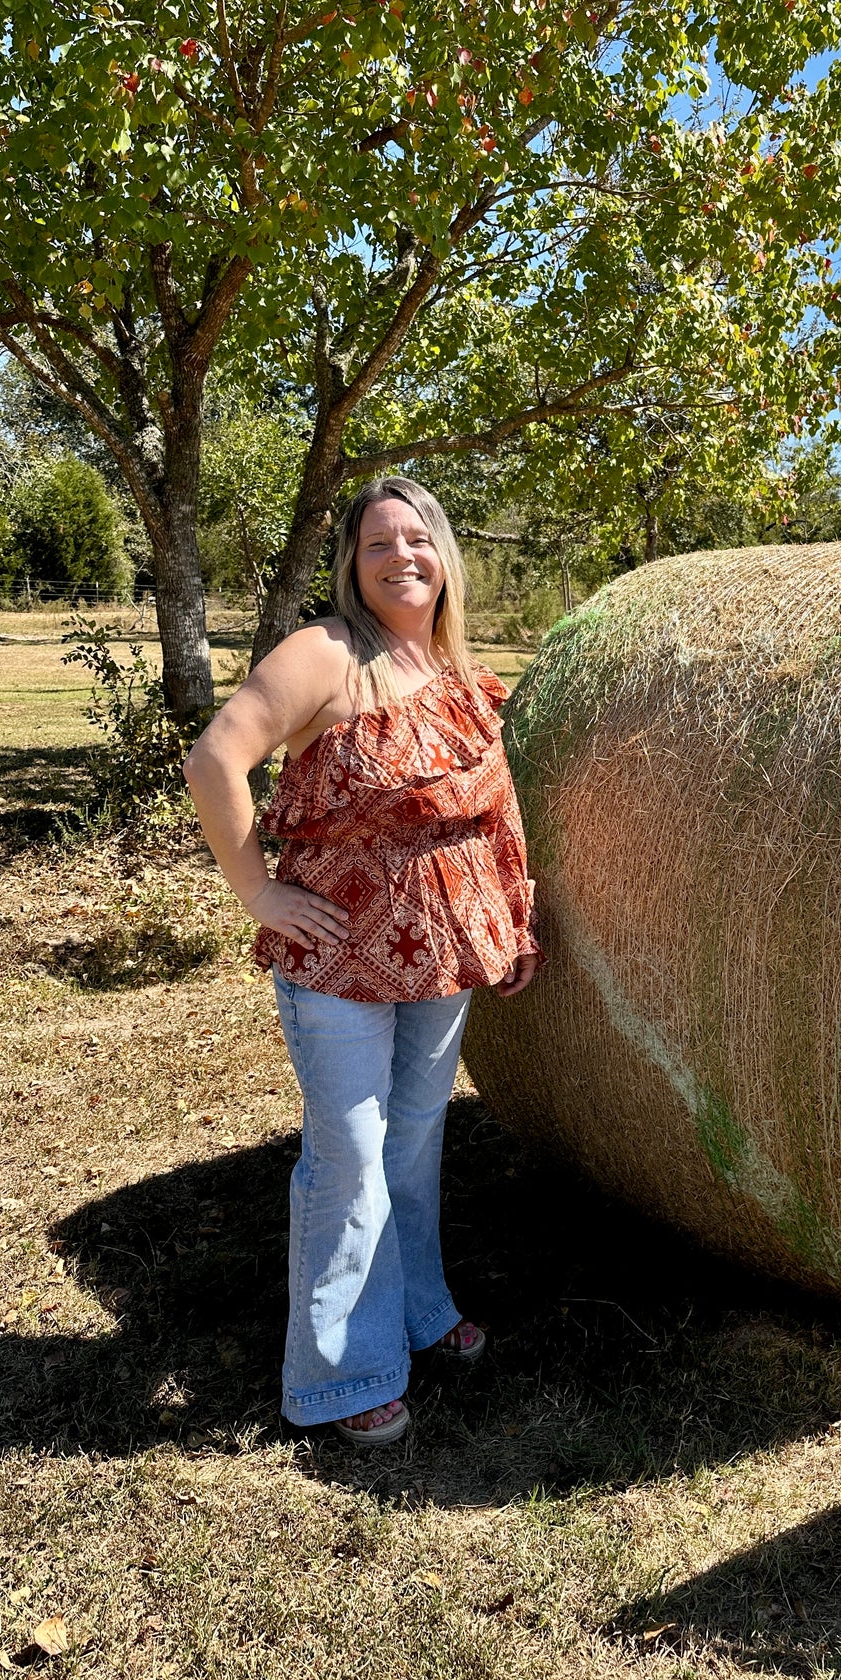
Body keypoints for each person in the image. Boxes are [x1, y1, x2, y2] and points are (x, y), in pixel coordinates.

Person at [183, 476, 540, 1447]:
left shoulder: (456, 669)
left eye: (415, 538)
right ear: (351, 564)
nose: (400, 557)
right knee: (347, 1158)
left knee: (413, 1143)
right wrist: (257, 890)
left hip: (442, 959)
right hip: (335, 959)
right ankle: (340, 1373)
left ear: (442, 554)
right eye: (377, 543)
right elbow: (216, 757)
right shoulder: (324, 653)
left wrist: (510, 917)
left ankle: (417, 1310)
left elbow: (492, 809)